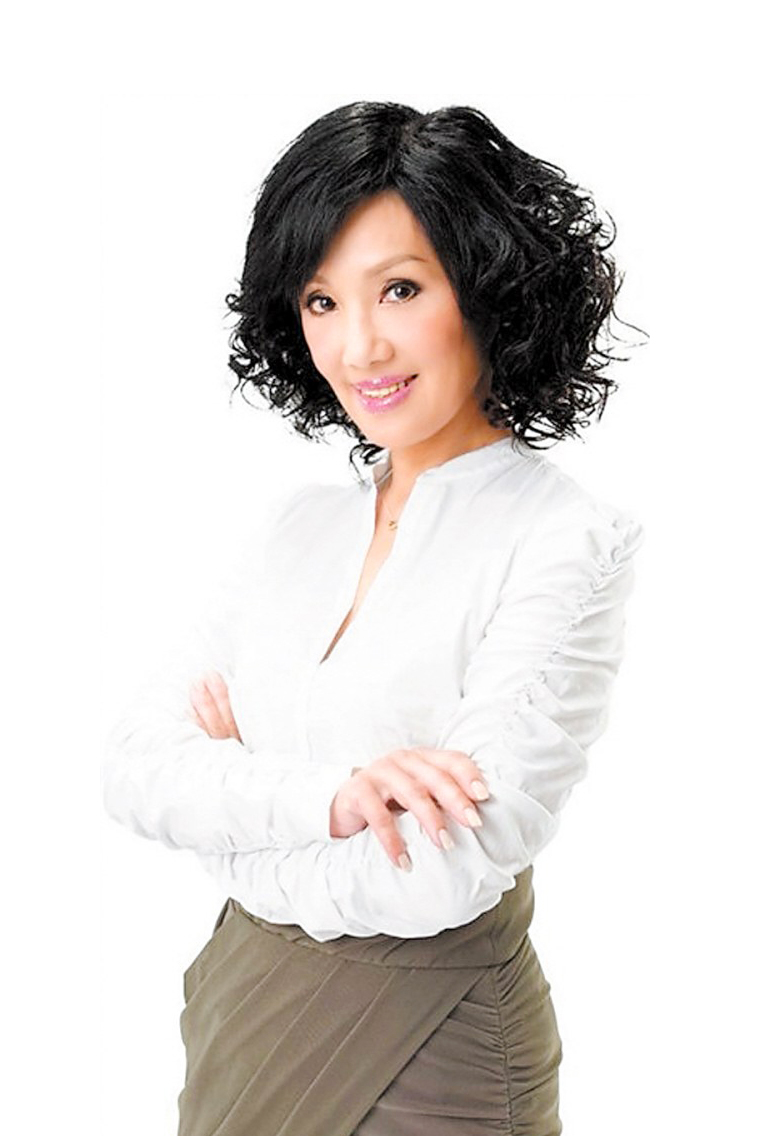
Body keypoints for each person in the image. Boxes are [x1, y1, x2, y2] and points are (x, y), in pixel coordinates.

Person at [102, 100, 645, 1136]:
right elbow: (133, 769)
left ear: (485, 285)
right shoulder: (293, 530)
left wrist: (231, 804)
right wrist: (335, 798)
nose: (359, 346)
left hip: (431, 1055)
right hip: (239, 1017)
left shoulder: (564, 538)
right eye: (320, 300)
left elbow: (447, 870)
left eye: (399, 288)